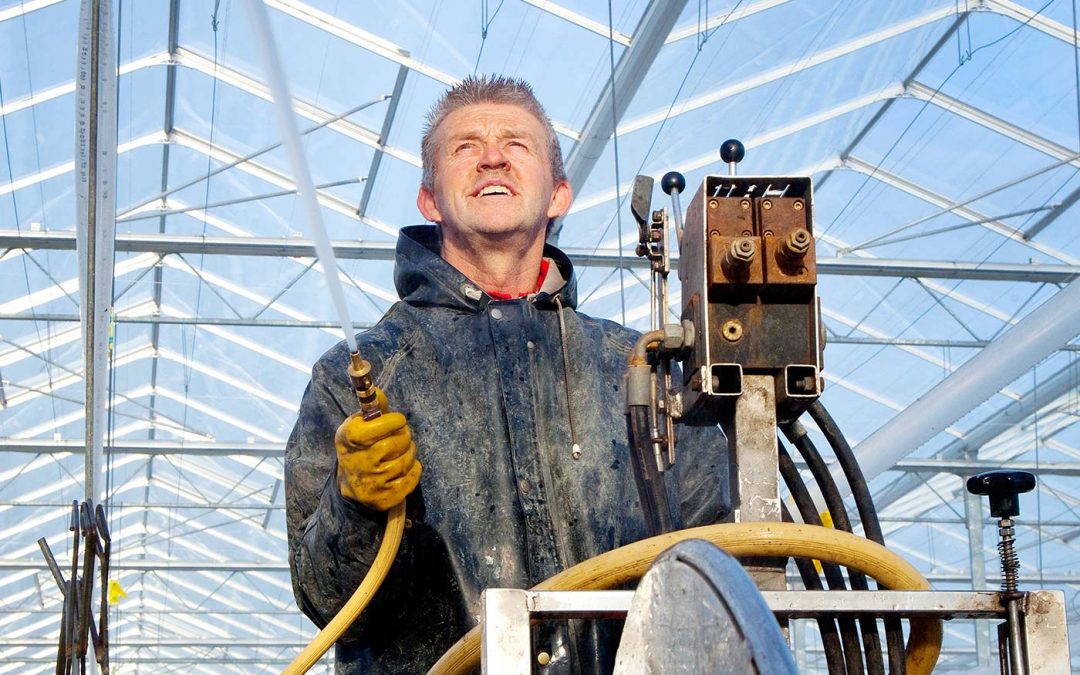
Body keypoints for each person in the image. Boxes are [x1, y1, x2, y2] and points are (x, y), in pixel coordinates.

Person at [285, 75, 728, 674]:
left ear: (559, 195)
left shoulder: (643, 375)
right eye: (464, 146)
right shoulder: (357, 375)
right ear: (430, 201)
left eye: (517, 144)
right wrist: (355, 508)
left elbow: (716, 575)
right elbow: (328, 603)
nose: (492, 155)